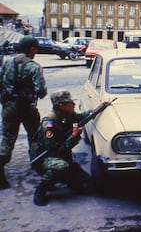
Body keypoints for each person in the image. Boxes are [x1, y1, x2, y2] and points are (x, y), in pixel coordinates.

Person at [32, 90, 107, 206]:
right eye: (70, 102)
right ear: (62, 106)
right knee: (61, 167)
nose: (74, 104)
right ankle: (42, 188)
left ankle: (63, 177)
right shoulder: (49, 125)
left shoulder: (66, 116)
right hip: (47, 159)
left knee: (88, 187)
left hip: (63, 159)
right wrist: (74, 136)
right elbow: (56, 150)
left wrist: (98, 109)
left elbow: (82, 116)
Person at [0, 36, 47, 189]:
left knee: (7, 139)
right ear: (32, 49)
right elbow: (41, 91)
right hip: (27, 108)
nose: (36, 51)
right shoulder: (34, 67)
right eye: (36, 48)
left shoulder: (7, 63)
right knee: (35, 136)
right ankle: (37, 163)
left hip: (9, 107)